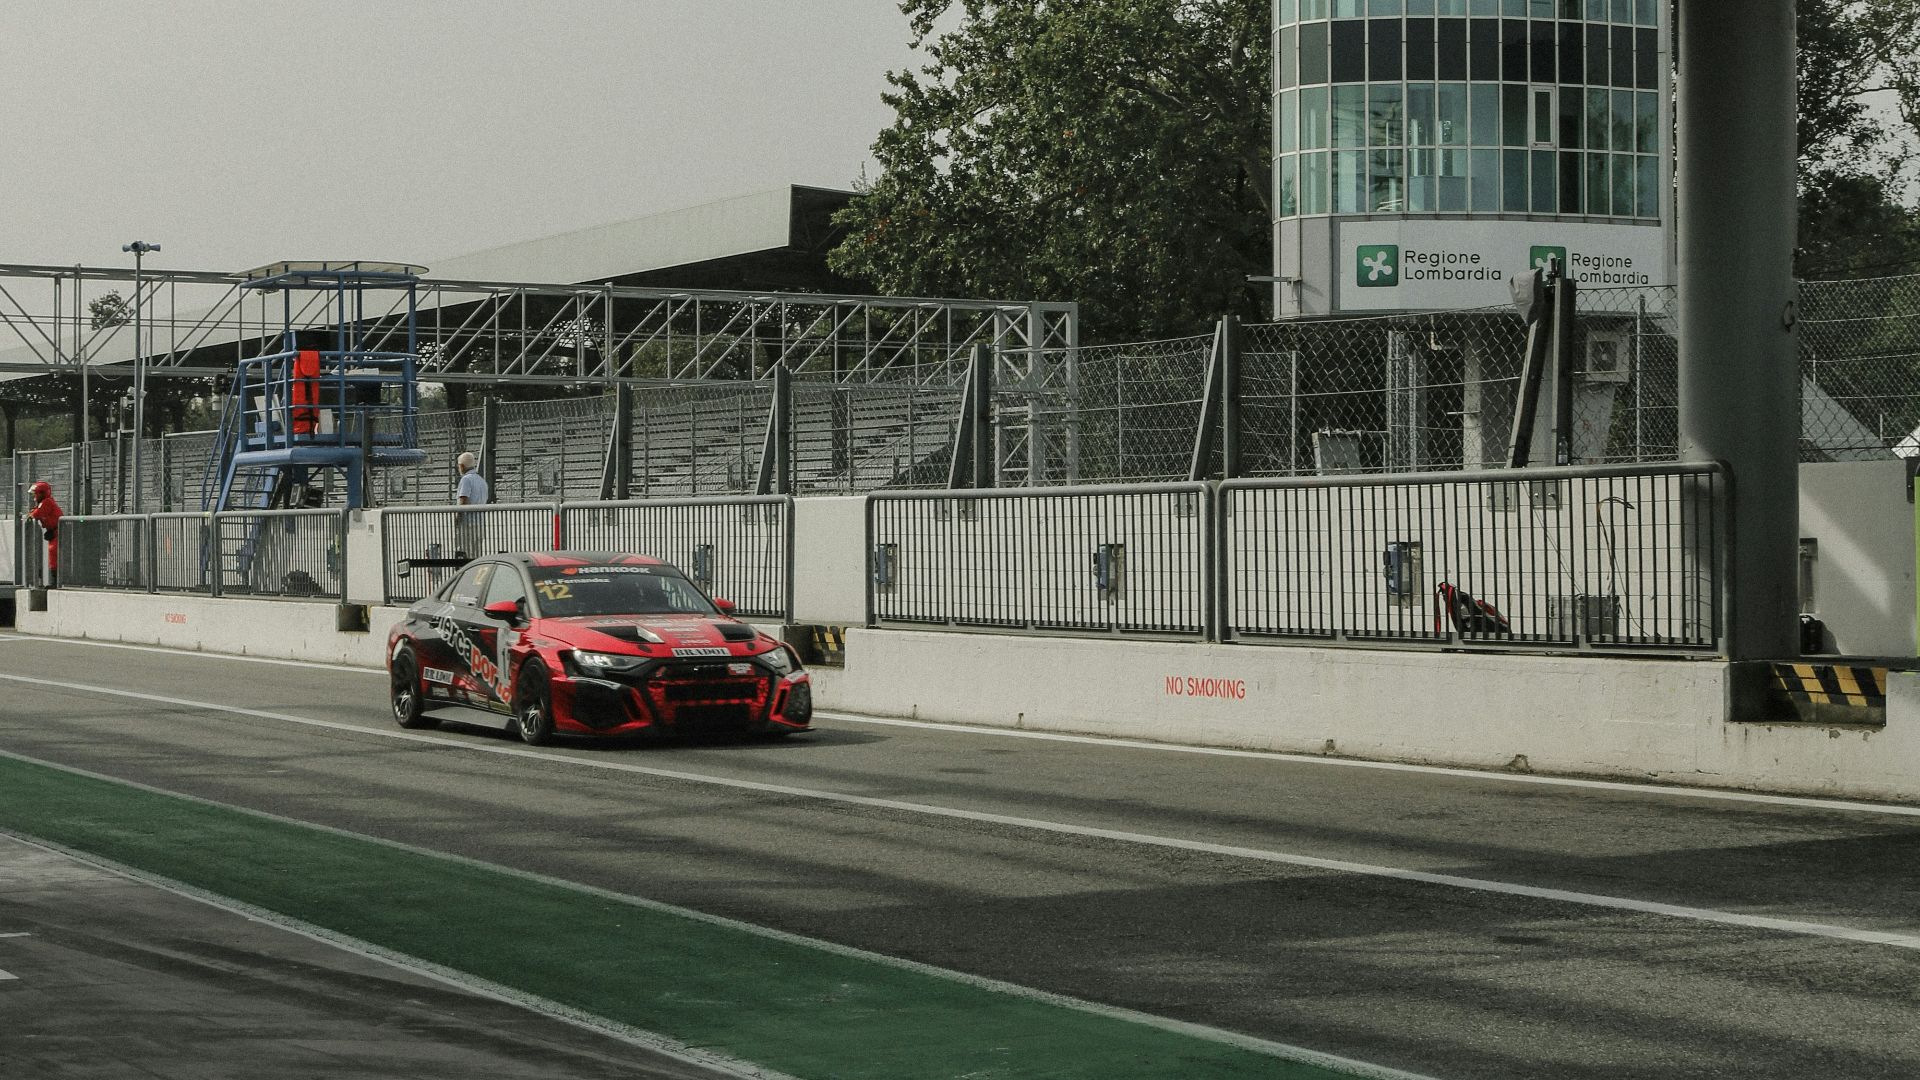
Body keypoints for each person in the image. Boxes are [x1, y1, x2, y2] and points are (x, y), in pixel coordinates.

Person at [25, 480, 62, 587]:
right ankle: (54, 582)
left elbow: (37, 513)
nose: (34, 497)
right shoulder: (44, 502)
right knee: (52, 556)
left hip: (57, 532)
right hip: (53, 532)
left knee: (54, 554)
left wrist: (30, 516)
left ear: (41, 493)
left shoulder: (47, 502)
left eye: (35, 494)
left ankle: (56, 582)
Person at [453, 452, 489, 559]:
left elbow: (463, 499)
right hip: (480, 522)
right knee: (476, 553)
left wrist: (457, 518)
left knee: (464, 552)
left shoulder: (466, 479)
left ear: (462, 466)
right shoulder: (482, 481)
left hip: (467, 523)